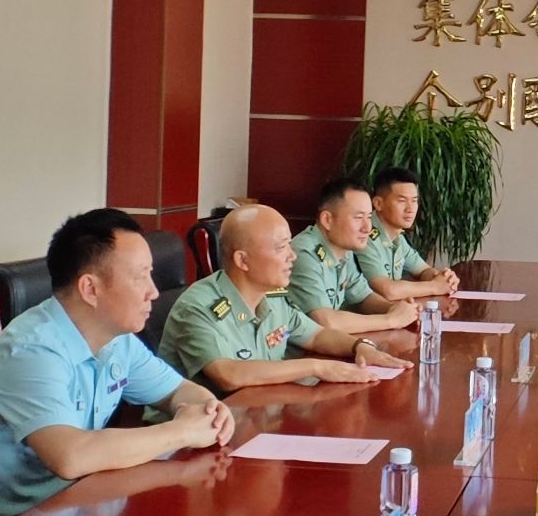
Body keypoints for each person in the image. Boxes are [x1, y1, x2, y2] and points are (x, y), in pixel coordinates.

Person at [0, 209, 234, 516]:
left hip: (64, 508)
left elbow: (179, 391)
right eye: (140, 277)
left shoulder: (117, 341)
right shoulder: (31, 351)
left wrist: (210, 411)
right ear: (90, 289)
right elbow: (70, 457)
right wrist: (182, 432)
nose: (153, 292)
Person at [160, 205, 414, 391]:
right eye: (281, 248)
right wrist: (316, 367)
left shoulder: (272, 298)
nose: (292, 256)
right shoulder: (198, 306)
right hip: (195, 436)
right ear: (242, 260)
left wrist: (360, 347)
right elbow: (228, 374)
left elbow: (316, 335)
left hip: (255, 415)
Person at [287, 178, 418, 331]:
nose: (367, 228)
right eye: (358, 218)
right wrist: (390, 320)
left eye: (369, 217)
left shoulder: (344, 249)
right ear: (327, 220)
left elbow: (363, 298)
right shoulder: (304, 253)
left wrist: (396, 309)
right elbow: (325, 321)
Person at [357, 167, 461, 303]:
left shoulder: (398, 236)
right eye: (402, 201)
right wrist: (434, 286)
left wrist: (443, 278)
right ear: (378, 203)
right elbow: (387, 290)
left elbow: (423, 271)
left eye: (414, 201)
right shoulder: (364, 236)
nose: (410, 209)